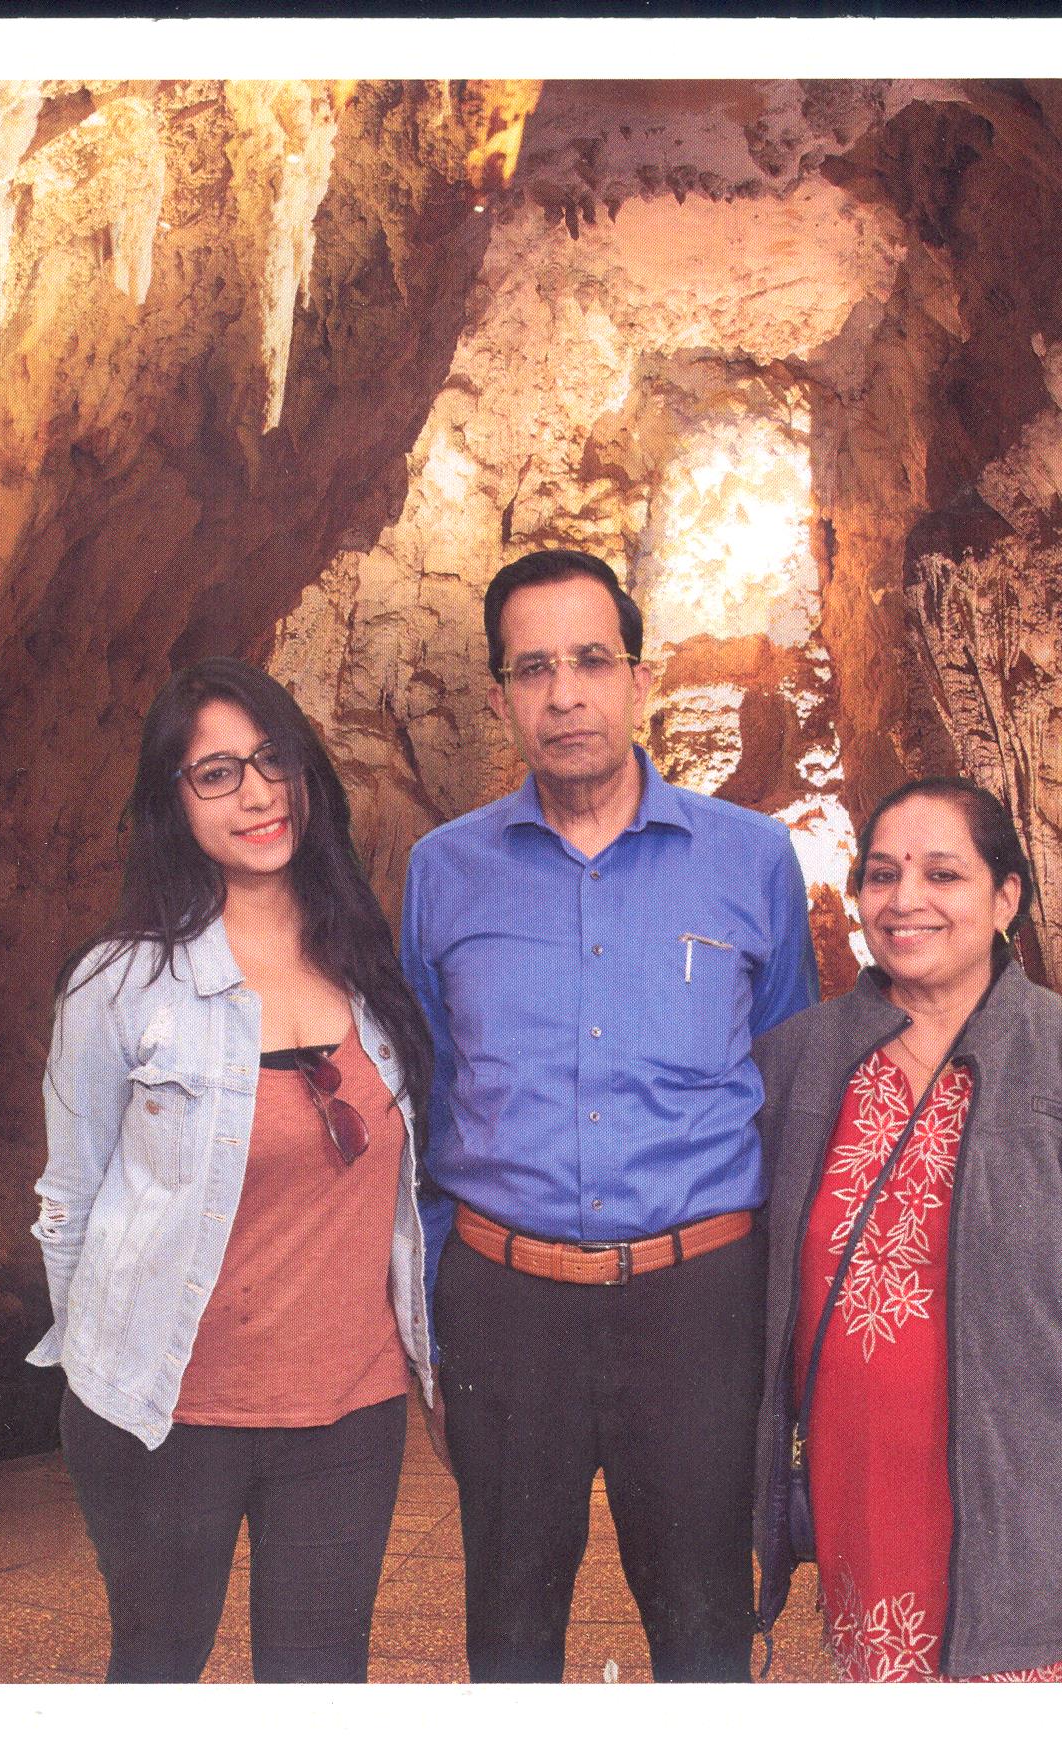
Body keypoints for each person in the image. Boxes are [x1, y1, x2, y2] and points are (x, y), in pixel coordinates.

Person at [399, 549, 821, 1682]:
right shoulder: (442, 872)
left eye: (590, 660)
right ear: (501, 697)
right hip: (506, 1307)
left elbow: (790, 1084)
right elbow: (424, 1091)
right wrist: (439, 1297)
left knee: (702, 1635)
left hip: (698, 1304)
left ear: (638, 678)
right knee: (509, 1637)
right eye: (533, 669)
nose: (565, 694)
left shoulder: (751, 861)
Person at [750, 775, 1062, 1682]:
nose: (906, 900)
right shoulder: (797, 1065)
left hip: (1030, 1533)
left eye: (943, 874)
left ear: (1007, 897)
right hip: (863, 1512)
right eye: (883, 874)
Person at [27, 656, 438, 1683]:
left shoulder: (367, 963)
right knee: (158, 1671)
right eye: (216, 774)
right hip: (168, 1413)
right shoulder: (119, 983)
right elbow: (68, 1201)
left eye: (273, 760)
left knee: (319, 1682)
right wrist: (104, 1368)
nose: (257, 795)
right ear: (172, 801)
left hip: (348, 1411)